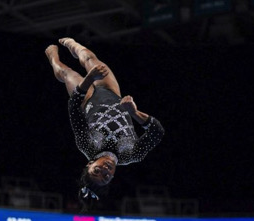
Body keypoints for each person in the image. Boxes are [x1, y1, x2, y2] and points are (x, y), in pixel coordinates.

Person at [45, 38, 165, 210]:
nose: (105, 170)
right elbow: (157, 132)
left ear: (89, 164)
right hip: (111, 92)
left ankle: (55, 56)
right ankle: (72, 53)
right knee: (91, 59)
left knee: (67, 73)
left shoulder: (86, 146)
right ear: (113, 177)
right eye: (106, 177)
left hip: (87, 101)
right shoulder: (132, 154)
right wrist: (134, 113)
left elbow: (73, 106)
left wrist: (89, 78)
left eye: (97, 171)